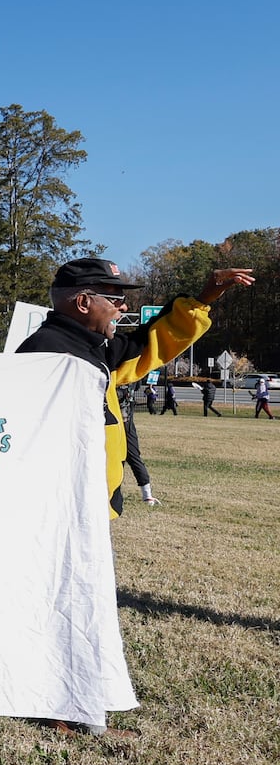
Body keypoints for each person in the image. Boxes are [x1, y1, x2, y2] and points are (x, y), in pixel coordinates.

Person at [16, 257, 253, 737]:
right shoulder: (47, 354)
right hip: (59, 512)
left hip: (86, 507)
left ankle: (69, 704)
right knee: (65, 608)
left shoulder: (90, 347)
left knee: (80, 607)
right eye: (114, 296)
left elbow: (152, 344)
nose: (125, 305)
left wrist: (204, 299)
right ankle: (63, 708)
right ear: (83, 302)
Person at [117, 384, 159, 506]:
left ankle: (147, 495)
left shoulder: (121, 379)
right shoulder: (130, 378)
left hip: (122, 423)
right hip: (124, 423)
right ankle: (147, 495)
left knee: (131, 457)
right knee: (129, 458)